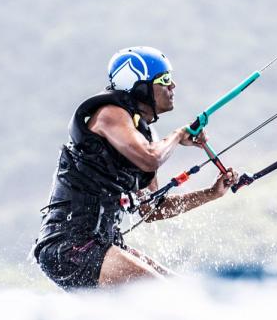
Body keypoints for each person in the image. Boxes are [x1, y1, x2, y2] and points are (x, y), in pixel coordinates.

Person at [32, 46, 238, 289]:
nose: (173, 86)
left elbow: (153, 210)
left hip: (98, 244)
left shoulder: (143, 135)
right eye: (165, 80)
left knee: (182, 289)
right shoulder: (110, 114)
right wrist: (178, 134)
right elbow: (150, 158)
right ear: (139, 85)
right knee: (169, 296)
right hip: (70, 245)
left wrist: (212, 193)